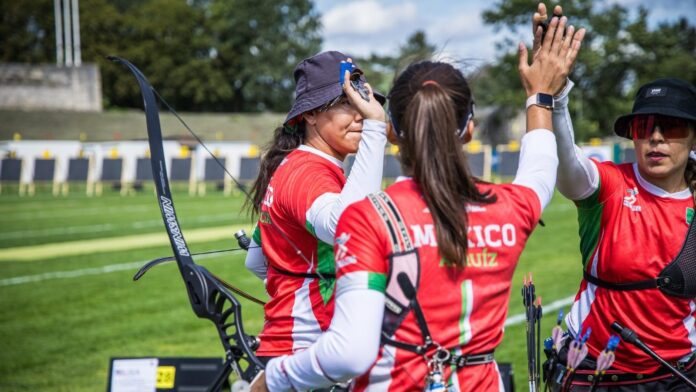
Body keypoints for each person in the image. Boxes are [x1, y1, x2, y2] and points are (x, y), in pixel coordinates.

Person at [251, 15, 585, 391]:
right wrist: (541, 95)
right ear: (470, 128)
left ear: (392, 131)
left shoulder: (369, 217)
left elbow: (350, 350)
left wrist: (268, 381)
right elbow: (541, 167)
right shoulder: (512, 208)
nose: (363, 114)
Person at [536, 4, 696, 389]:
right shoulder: (609, 185)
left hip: (678, 374)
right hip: (595, 371)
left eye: (670, 127)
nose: (655, 138)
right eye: (644, 127)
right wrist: (554, 98)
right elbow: (570, 168)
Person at [244, 51, 388, 361]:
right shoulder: (308, 172)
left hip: (293, 350)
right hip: (306, 353)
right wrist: (377, 130)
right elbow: (346, 226)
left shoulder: (295, 166)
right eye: (347, 103)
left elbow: (255, 261)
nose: (361, 113)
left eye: (364, 101)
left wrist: (294, 289)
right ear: (310, 114)